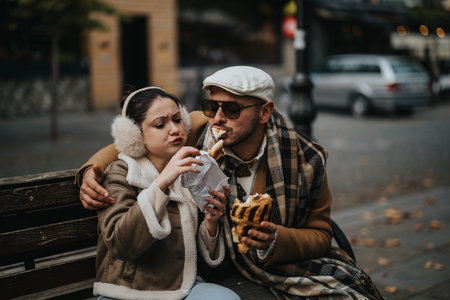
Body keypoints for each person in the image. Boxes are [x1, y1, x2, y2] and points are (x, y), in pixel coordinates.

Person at [76, 67, 383, 299]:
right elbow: (136, 140)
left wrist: (278, 239)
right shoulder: (196, 133)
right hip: (221, 273)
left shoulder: (305, 160)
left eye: (232, 109)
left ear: (264, 112)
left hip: (273, 265)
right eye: (212, 107)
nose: (217, 118)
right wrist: (93, 168)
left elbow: (321, 233)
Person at [91, 86, 240, 300]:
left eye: (178, 120)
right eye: (160, 124)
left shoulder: (188, 173)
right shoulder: (120, 173)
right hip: (128, 292)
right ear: (135, 134)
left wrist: (211, 222)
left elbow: (192, 255)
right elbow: (121, 245)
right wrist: (161, 183)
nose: (174, 129)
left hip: (182, 286)